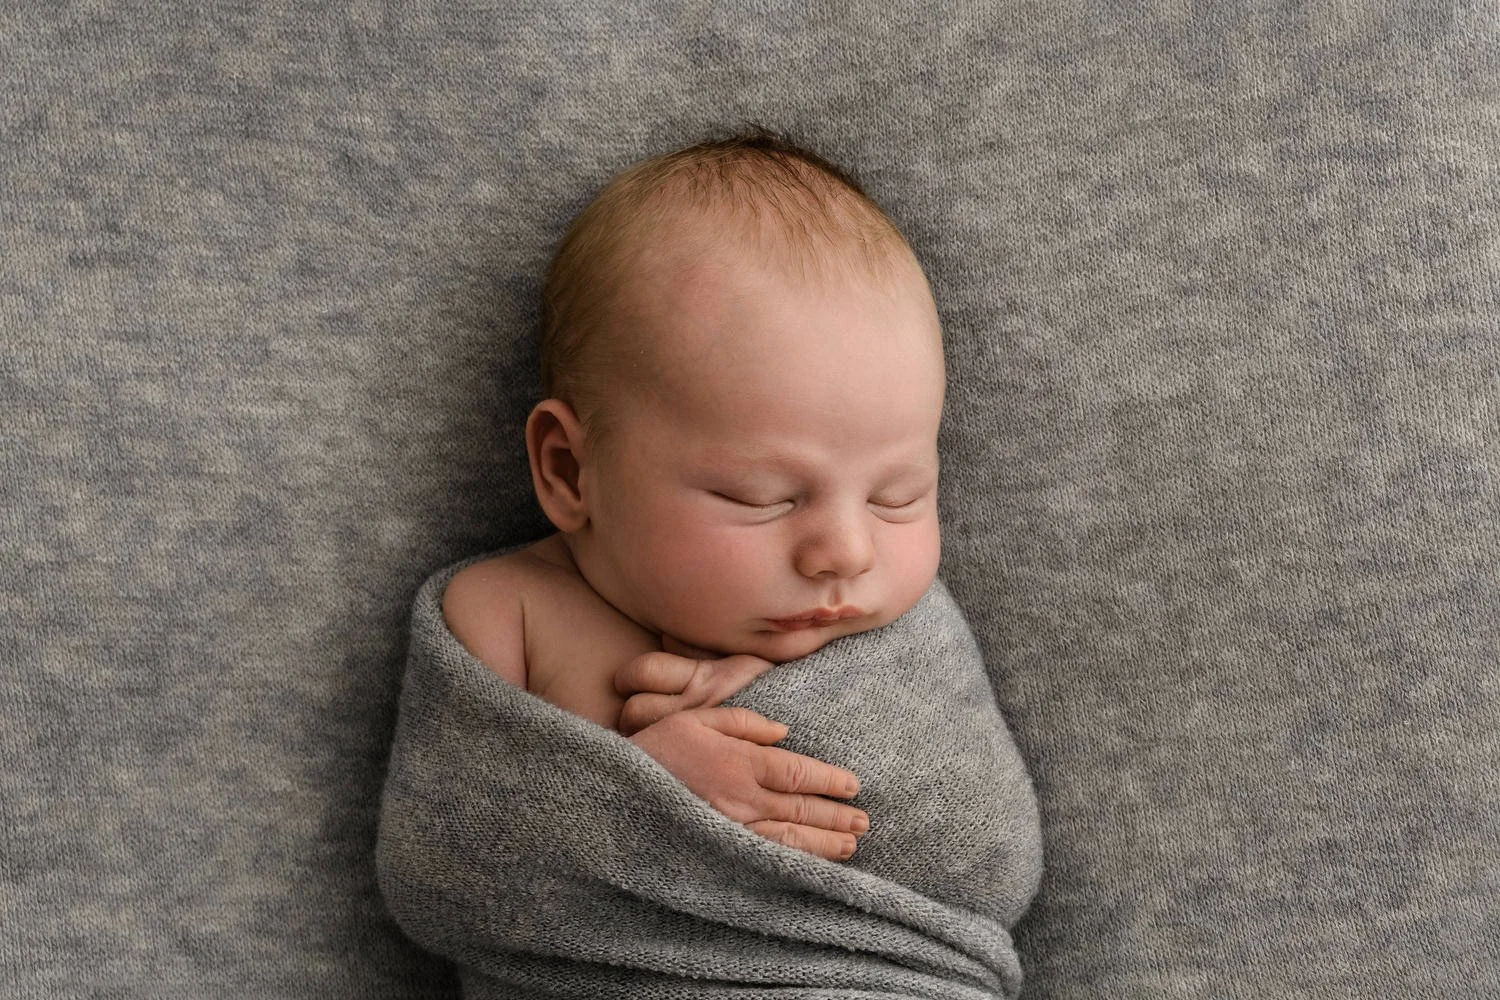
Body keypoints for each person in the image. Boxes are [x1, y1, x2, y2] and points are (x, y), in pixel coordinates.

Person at [442, 126, 946, 865]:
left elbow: (985, 844)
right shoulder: (507, 617)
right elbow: (446, 863)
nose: (847, 552)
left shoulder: (891, 624)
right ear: (570, 471)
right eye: (761, 496)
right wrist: (641, 800)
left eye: (898, 496)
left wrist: (799, 709)